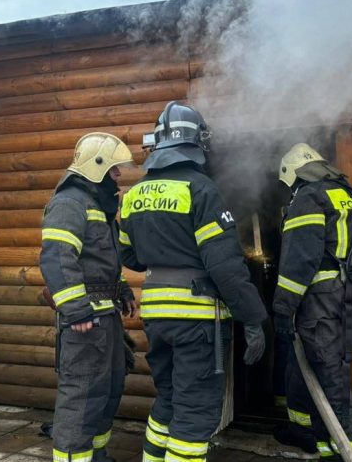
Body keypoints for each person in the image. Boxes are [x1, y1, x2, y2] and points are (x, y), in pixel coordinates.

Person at [119, 101, 268, 462]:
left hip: (156, 315)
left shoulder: (135, 194)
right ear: (197, 142)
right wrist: (253, 318)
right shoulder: (201, 190)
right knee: (196, 409)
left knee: (168, 397)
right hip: (196, 319)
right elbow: (225, 265)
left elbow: (130, 257)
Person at [40, 132, 138, 462]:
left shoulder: (97, 204)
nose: (118, 176)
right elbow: (57, 256)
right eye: (114, 170)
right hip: (85, 321)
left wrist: (121, 288)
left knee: (108, 389)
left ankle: (96, 455)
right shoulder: (70, 202)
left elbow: (103, 261)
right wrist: (77, 311)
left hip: (103, 317)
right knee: (82, 396)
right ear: (96, 167)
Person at [272, 143, 352, 460]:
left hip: (319, 301)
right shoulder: (345, 193)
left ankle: (339, 451)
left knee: (329, 375)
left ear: (294, 176)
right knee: (307, 367)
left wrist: (283, 309)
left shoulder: (309, 197)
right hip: (343, 296)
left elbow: (299, 261)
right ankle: (307, 435)